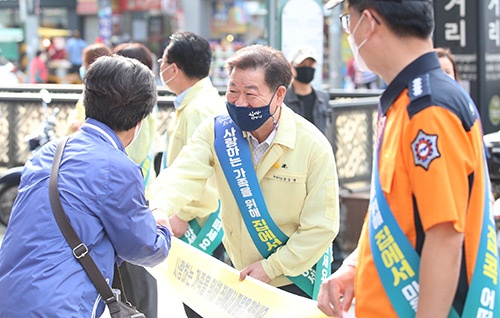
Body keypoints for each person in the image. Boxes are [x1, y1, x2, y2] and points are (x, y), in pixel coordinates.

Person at [318, 1, 500, 318]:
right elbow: (395, 207)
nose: (348, 31)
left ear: (370, 23)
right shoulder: (405, 102)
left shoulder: (429, 108)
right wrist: (355, 265)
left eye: (349, 20)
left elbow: (445, 236)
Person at [150, 44, 339, 306]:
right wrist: (160, 207)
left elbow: (322, 226)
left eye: (251, 93)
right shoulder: (217, 132)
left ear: (279, 94)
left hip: (294, 280)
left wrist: (271, 267)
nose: (239, 103)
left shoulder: (312, 146)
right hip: (241, 274)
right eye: (232, 91)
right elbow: (183, 173)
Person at [0, 55, 172, 317]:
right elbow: (143, 248)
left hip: (10, 295)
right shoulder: (119, 168)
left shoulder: (49, 151)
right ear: (140, 119)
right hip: (60, 306)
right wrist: (161, 226)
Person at [153, 31, 226, 318]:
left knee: (199, 304)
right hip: (194, 216)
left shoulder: (199, 108)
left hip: (199, 221)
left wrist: (183, 214)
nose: (160, 67)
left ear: (173, 68)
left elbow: (206, 172)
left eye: (163, 61)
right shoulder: (194, 102)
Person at [112, 42, 160, 318]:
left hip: (136, 200)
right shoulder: (131, 107)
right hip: (132, 199)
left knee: (138, 280)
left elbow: (133, 157)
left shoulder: (138, 112)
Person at [66, 43, 113, 135]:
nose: (83, 67)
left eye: (84, 63)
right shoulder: (89, 89)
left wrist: (80, 126)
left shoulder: (98, 93)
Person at [284, 45, 331, 134]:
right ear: (291, 67)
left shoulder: (323, 97)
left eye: (310, 64)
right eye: (302, 65)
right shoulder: (282, 99)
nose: (307, 68)